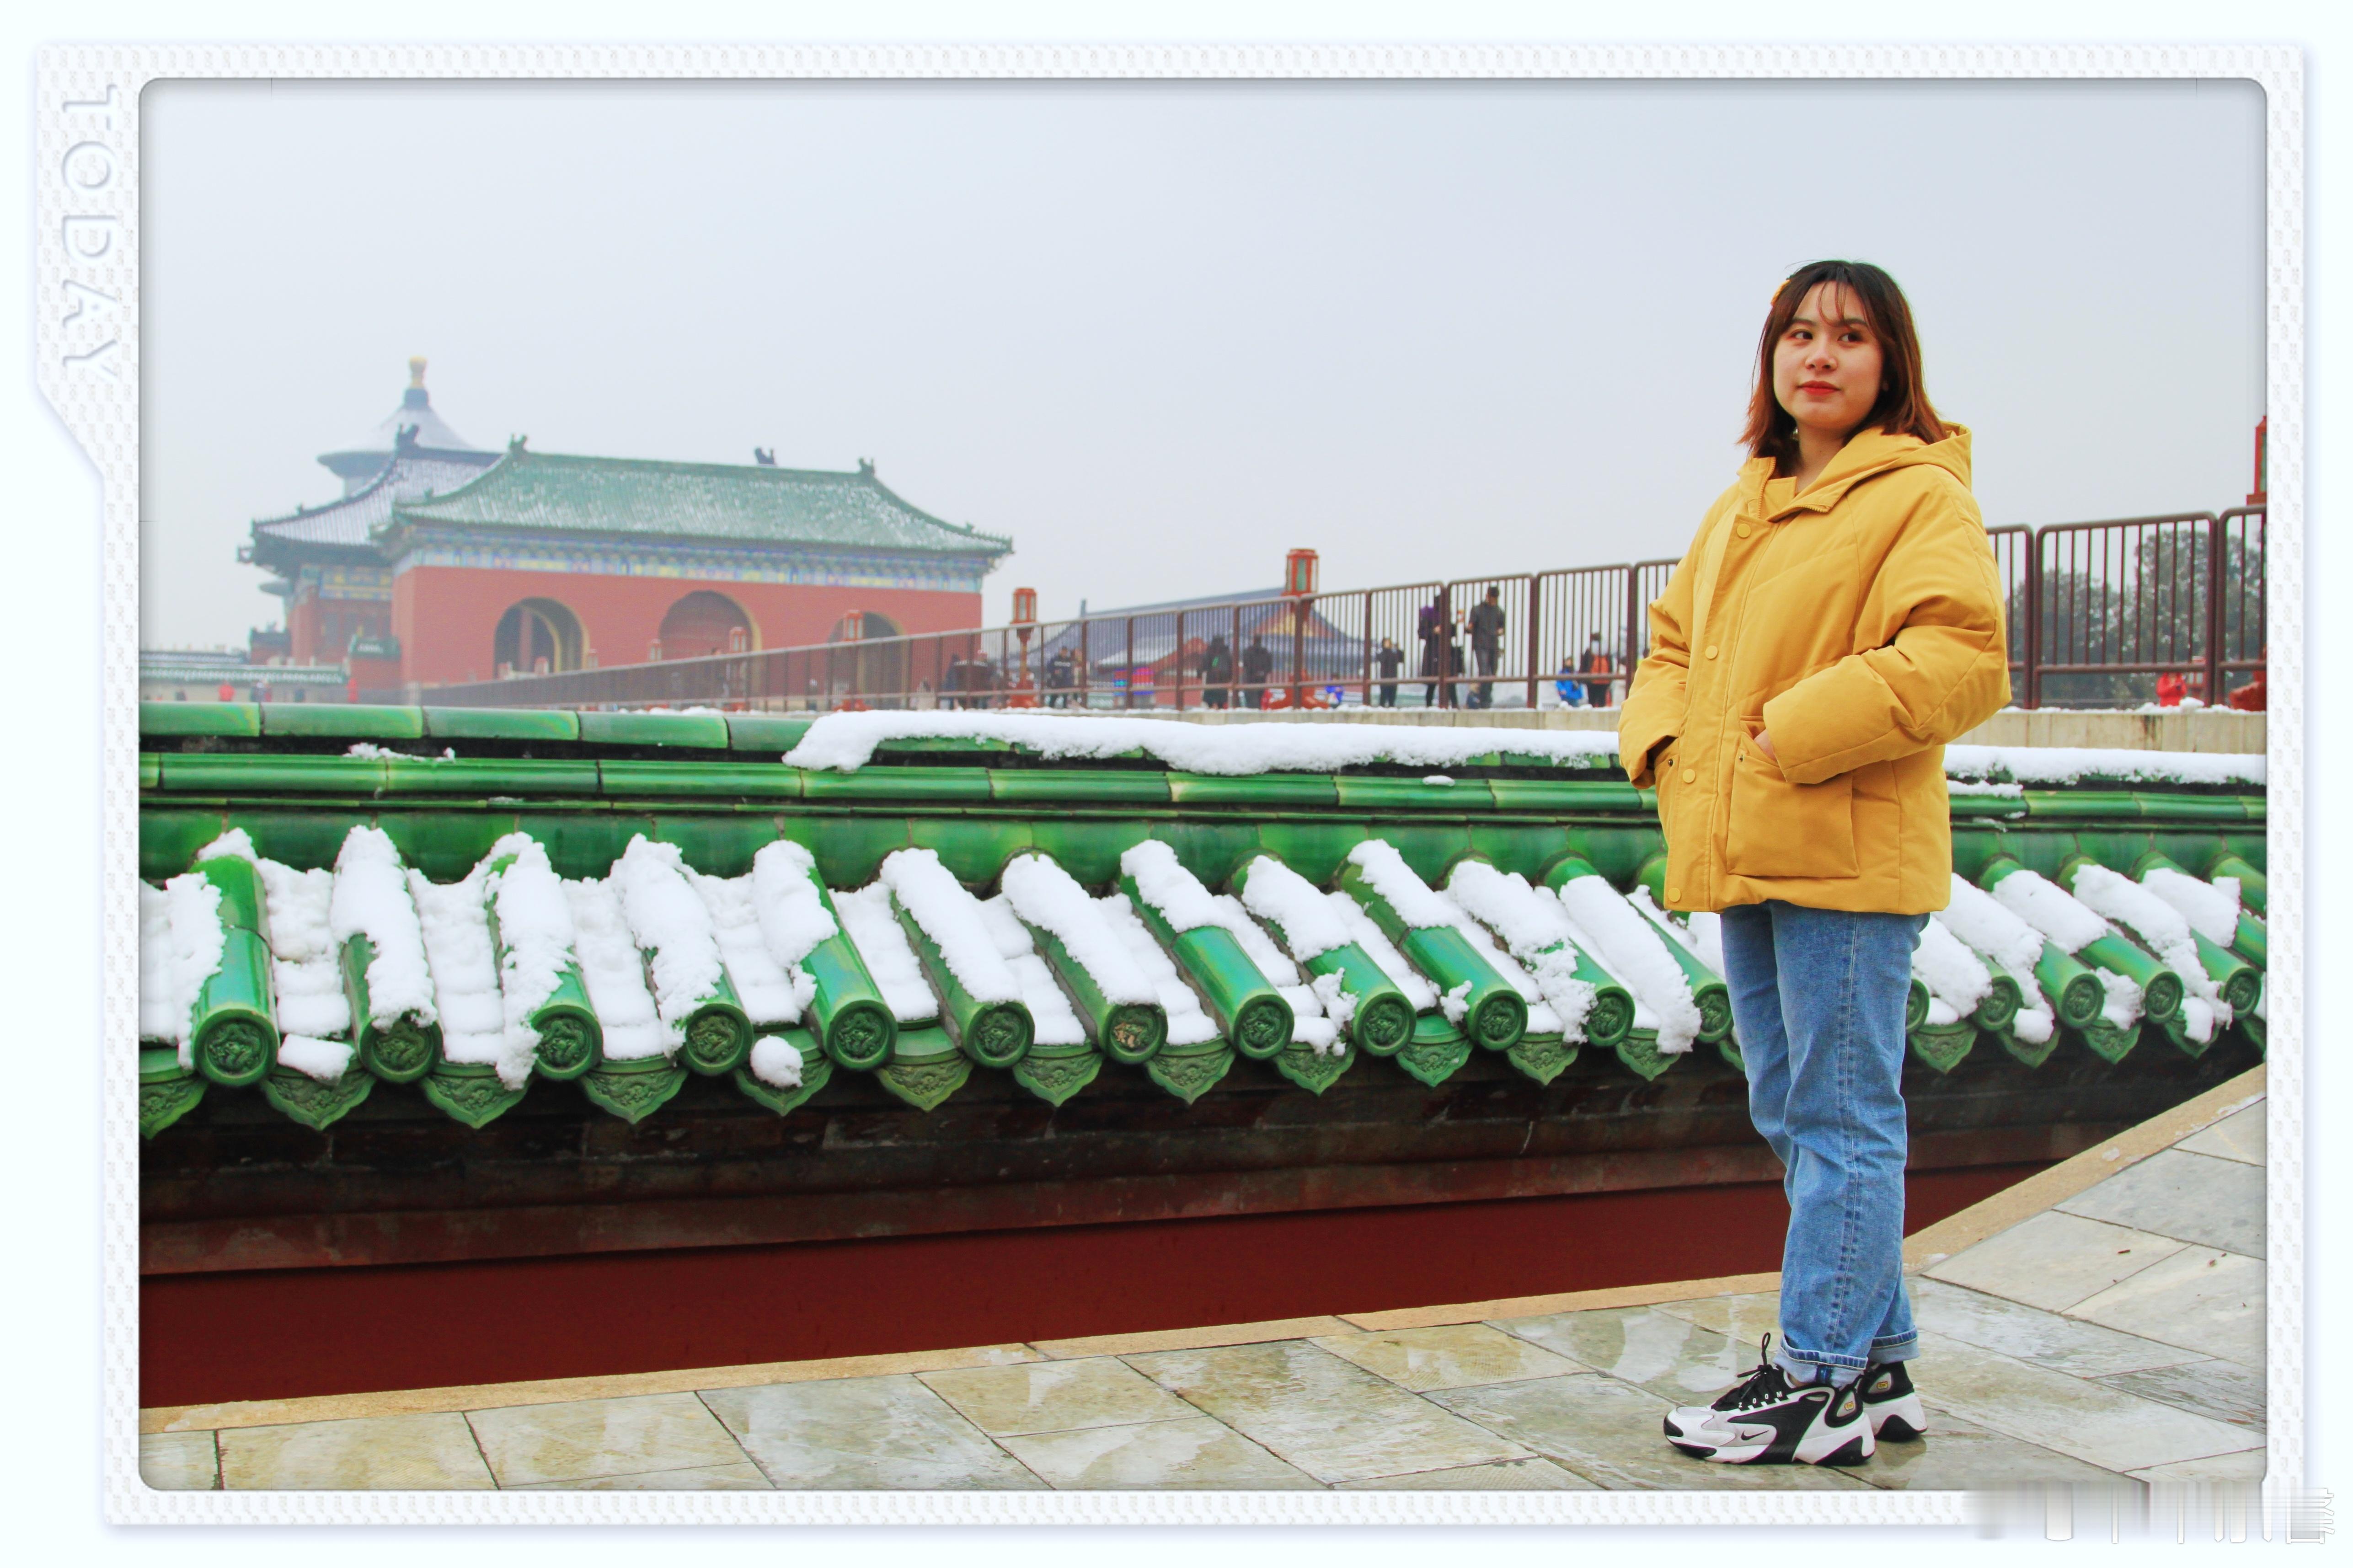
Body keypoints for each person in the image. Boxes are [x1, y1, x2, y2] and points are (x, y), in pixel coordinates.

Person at [1622, 261, 2008, 1468]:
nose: (1819, 355)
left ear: (1890, 361)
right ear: (1771, 358)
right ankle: (1875, 1360)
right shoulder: (1743, 500)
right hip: (1744, 839)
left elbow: (1961, 655)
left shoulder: (1917, 493)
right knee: (1793, 1106)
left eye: (1848, 335)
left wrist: (1789, 732)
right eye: (1798, 333)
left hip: (1845, 845)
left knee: (1842, 1114)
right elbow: (1670, 644)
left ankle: (1815, 1374)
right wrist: (1666, 747)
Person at [1467, 587, 1506, 708]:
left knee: (1493, 672)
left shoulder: (1499, 611)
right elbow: (1471, 626)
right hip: (1481, 644)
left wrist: (1501, 631)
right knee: (1484, 671)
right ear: (1487, 596)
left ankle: (1486, 697)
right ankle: (1484, 700)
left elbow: (1502, 627)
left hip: (1493, 644)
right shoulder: (1478, 610)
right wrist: (1469, 628)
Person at [1416, 595, 1449, 707]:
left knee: (1448, 679)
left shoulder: (1447, 615)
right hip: (1432, 650)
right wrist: (1434, 631)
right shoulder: (1428, 615)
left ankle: (1449, 704)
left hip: (1445, 650)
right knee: (1433, 681)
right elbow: (1421, 633)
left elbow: (1452, 633)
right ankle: (1429, 705)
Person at [1240, 635, 1274, 710]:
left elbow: (1246, 665)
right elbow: (1269, 667)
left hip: (1249, 680)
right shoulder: (1265, 653)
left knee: (1251, 700)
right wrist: (1262, 673)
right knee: (1258, 699)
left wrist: (1215, 665)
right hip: (1261, 679)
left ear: (1254, 641)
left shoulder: (1248, 652)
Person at [1581, 633, 1614, 708]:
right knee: (1602, 701)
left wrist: (1582, 678)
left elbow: (1584, 665)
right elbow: (1611, 665)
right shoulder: (1606, 651)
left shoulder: (1589, 651)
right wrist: (1610, 678)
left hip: (1592, 680)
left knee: (1592, 700)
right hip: (1605, 679)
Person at [1202, 634, 1234, 709]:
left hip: (1212, 679)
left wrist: (1213, 666)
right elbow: (1231, 666)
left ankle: (1212, 709)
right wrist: (1230, 677)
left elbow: (1208, 665)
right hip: (1223, 679)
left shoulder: (1211, 652)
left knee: (1210, 700)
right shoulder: (1226, 652)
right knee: (1221, 701)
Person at [1374, 637, 1404, 707]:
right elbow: (1381, 659)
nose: (1388, 644)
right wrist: (1387, 650)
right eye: (1386, 642)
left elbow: (1401, 659)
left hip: (1393, 678)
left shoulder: (1394, 653)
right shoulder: (1382, 653)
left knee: (1392, 698)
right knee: (1383, 698)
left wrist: (1398, 649)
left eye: (1389, 642)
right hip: (1384, 678)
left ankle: (1391, 707)